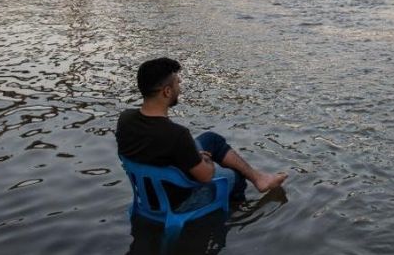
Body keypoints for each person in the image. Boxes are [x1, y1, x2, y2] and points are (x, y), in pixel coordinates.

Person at [116, 58, 287, 211]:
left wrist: (191, 156)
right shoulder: (177, 135)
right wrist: (205, 160)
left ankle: (259, 179)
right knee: (235, 177)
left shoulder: (125, 118)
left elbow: (155, 148)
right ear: (167, 92)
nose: (180, 87)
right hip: (174, 203)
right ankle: (235, 214)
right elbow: (206, 176)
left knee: (211, 139)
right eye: (177, 83)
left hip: (146, 193)